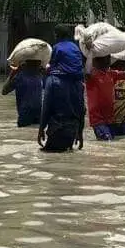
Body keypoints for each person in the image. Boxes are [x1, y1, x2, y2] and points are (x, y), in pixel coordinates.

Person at [38, 24, 86, 152]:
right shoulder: (79, 84)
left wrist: (41, 129)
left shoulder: (53, 81)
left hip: (57, 129)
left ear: (57, 36)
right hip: (74, 129)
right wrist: (80, 133)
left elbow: (46, 107)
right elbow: (82, 108)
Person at [85, 48, 125, 141]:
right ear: (95, 61)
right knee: (107, 142)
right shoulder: (92, 76)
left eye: (108, 58)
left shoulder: (111, 74)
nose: (107, 61)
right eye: (104, 58)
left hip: (110, 120)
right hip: (98, 121)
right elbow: (87, 71)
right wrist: (91, 52)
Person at [2, 59, 44, 127]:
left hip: (27, 114)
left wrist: (12, 73)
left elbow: (4, 91)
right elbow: (4, 91)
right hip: (37, 114)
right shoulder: (40, 76)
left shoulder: (20, 76)